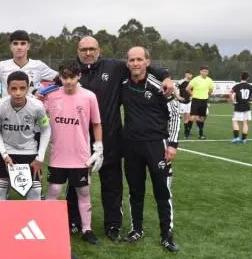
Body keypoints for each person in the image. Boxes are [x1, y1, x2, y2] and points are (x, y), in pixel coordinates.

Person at [64, 35, 173, 242]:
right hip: (78, 140)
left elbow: (141, 66)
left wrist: (165, 75)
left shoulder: (114, 67)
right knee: (76, 183)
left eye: (92, 49)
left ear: (99, 50)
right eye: (83, 49)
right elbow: (54, 86)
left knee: (112, 184)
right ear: (77, 52)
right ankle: (74, 220)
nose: (88, 53)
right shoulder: (72, 71)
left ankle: (113, 225)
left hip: (111, 138)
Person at [120, 47, 180, 252]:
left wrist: (172, 144)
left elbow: (175, 114)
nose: (135, 63)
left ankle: (167, 235)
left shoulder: (160, 86)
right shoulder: (124, 84)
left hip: (157, 145)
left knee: (162, 192)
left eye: (139, 59)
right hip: (131, 146)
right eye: (131, 60)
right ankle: (136, 229)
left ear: (147, 62)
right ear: (127, 62)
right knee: (135, 191)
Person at [43, 60, 103, 245]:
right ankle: (46, 226)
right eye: (64, 77)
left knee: (83, 191)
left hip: (80, 156)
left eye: (72, 77)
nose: (68, 81)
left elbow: (96, 124)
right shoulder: (51, 96)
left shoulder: (89, 96)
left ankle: (87, 229)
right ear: (60, 77)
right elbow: (39, 117)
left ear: (79, 76)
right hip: (58, 155)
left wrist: (98, 146)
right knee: (54, 190)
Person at [0, 71, 51, 201]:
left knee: (35, 191)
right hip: (5, 152)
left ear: (28, 88)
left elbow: (46, 130)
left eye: (22, 88)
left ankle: (33, 221)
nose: (18, 92)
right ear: (7, 89)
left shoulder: (37, 106)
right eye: (13, 88)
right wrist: (5, 155)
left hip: (29, 152)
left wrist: (40, 158)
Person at [0, 30, 57, 97]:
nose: (19, 47)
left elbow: (61, 78)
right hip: (8, 111)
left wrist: (45, 92)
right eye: (15, 43)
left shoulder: (39, 66)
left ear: (28, 46)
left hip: (32, 112)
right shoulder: (1, 66)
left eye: (23, 43)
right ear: (10, 47)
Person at [230, 73, 252, 144]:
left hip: (238, 106)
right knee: (245, 122)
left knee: (235, 121)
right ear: (247, 78)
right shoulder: (250, 86)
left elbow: (230, 93)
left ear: (240, 77)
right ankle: (244, 139)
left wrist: (233, 101)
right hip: (247, 106)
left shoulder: (237, 86)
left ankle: (236, 138)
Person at [186, 66, 215, 139]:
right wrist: (193, 94)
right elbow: (188, 89)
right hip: (196, 100)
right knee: (193, 117)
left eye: (207, 71)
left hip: (204, 101)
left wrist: (206, 94)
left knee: (202, 118)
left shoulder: (210, 80)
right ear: (200, 71)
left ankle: (200, 134)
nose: (205, 72)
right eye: (204, 71)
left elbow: (211, 90)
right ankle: (187, 132)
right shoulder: (195, 79)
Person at [177, 70, 194, 138]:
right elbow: (174, 88)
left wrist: (192, 97)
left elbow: (193, 91)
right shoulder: (181, 81)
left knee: (187, 117)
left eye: (191, 74)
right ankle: (175, 130)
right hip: (181, 102)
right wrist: (178, 96)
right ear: (185, 74)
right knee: (178, 117)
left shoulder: (192, 82)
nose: (189, 75)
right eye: (188, 74)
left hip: (188, 102)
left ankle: (186, 133)